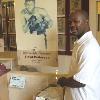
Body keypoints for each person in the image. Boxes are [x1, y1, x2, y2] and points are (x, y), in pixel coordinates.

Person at [57, 10, 100, 100]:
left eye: (76, 21)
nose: (72, 25)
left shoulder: (89, 47)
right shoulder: (81, 43)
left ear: (86, 22)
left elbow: (79, 82)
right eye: (70, 22)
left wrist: (62, 81)